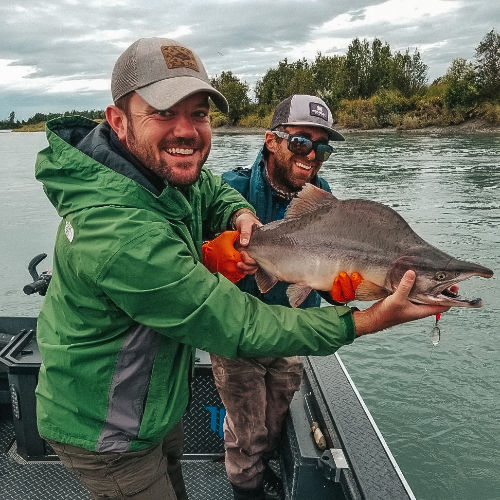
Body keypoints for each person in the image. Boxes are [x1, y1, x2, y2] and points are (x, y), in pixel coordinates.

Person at [33, 37, 452, 500]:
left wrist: (245, 219)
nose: (187, 130)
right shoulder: (121, 235)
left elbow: (211, 193)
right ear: (118, 121)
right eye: (163, 112)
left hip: (155, 398)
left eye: (199, 114)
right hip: (107, 426)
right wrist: (370, 319)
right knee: (243, 433)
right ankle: (245, 487)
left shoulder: (163, 178)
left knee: (248, 435)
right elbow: (235, 323)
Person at [207, 94, 351, 499]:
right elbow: (191, 263)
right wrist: (214, 260)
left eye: (322, 147)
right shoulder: (228, 188)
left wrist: (340, 293)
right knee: (246, 429)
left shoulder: (321, 193)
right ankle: (246, 487)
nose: (313, 156)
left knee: (275, 417)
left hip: (292, 330)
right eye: (301, 142)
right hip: (238, 335)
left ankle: (258, 466)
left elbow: (327, 269)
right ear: (272, 140)